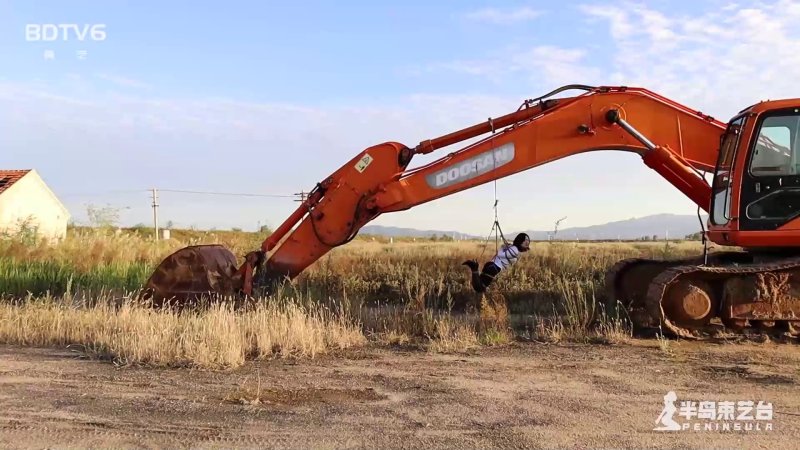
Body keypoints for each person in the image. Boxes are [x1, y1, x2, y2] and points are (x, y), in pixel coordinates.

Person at [463, 233, 530, 293]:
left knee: (480, 285)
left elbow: (502, 252)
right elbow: (500, 254)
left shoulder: (512, 247)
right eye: (526, 242)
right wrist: (504, 248)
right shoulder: (515, 249)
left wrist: (504, 247)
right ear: (520, 241)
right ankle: (474, 268)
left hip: (491, 265)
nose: (527, 244)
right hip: (495, 268)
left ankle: (474, 269)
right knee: (480, 288)